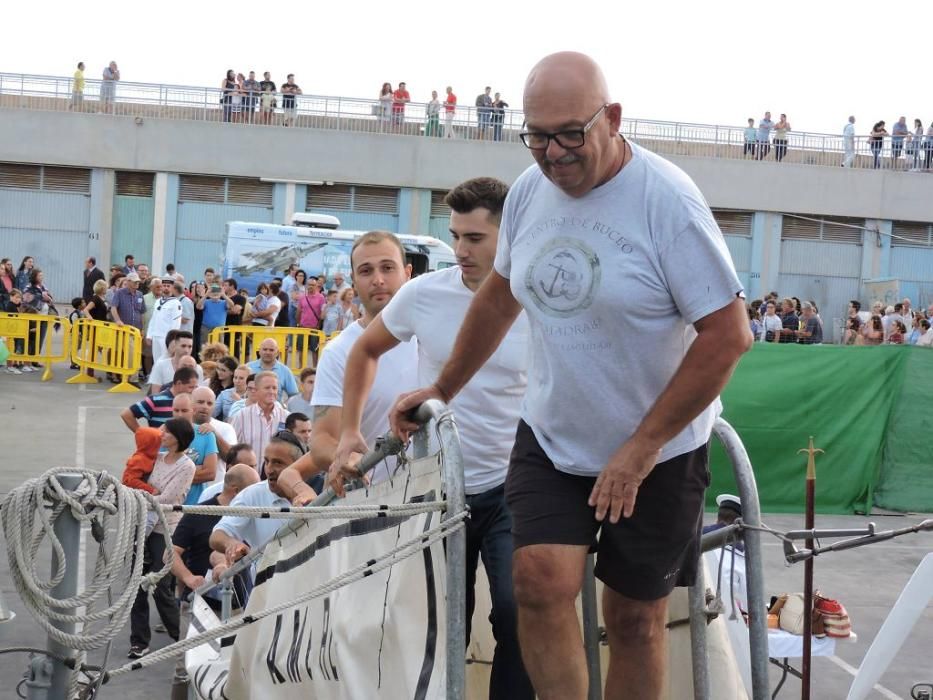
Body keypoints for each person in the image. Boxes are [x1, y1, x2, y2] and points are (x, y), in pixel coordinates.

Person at [388, 52, 750, 700]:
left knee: (633, 618)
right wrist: (442, 389)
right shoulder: (530, 192)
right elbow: (498, 298)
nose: (551, 154)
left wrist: (639, 449)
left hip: (660, 449)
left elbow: (728, 336)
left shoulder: (666, 204)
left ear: (610, 119)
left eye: (567, 135)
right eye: (535, 136)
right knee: (536, 584)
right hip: (554, 436)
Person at [328, 177, 534, 698]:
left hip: (517, 482)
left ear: (508, 235)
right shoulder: (425, 294)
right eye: (456, 237)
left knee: (517, 610)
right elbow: (364, 351)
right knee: (444, 618)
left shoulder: (536, 298)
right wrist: (351, 430)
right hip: (443, 484)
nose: (460, 251)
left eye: (475, 239)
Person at [276, 232, 419, 503]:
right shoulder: (339, 351)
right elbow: (322, 442)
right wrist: (353, 458)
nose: (378, 279)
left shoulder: (431, 334)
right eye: (366, 271)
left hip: (440, 498)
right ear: (354, 281)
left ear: (407, 272)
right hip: (374, 506)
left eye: (388, 268)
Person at [169, 463, 259, 687]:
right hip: (198, 603)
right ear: (237, 491)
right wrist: (189, 578)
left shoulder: (252, 515)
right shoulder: (198, 513)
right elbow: (170, 555)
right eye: (253, 490)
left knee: (235, 670)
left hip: (238, 604)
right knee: (185, 669)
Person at [128, 417, 195, 659]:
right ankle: (139, 640)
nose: (161, 434)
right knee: (136, 586)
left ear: (178, 438)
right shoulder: (155, 457)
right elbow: (136, 483)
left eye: (166, 431)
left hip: (165, 529)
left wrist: (142, 497)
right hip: (142, 524)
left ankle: (179, 635)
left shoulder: (187, 466)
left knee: (159, 585)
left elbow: (168, 499)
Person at [209, 434, 305, 568]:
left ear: (298, 464)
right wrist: (231, 544)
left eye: (278, 463)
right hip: (268, 585)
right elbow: (217, 536)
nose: (269, 470)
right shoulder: (251, 495)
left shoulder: (318, 489)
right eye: (266, 461)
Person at [229, 371, 290, 475]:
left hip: (278, 480)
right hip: (248, 478)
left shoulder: (287, 417)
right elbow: (232, 449)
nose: (271, 391)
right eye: (267, 388)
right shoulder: (241, 416)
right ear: (256, 390)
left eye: (274, 388)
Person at [171, 392, 219, 505]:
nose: (180, 415)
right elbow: (157, 471)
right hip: (168, 505)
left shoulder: (206, 435)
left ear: (193, 410)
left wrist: (173, 474)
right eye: (176, 410)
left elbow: (210, 473)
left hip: (195, 505)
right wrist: (196, 468)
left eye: (184, 410)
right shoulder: (164, 435)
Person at [121, 366, 199, 432]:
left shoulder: (193, 400)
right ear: (179, 384)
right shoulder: (156, 400)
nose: (194, 391)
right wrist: (142, 435)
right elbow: (127, 414)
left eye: (196, 387)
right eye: (191, 387)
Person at [146, 279, 182, 365]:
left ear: (173, 288)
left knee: (166, 361)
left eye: (168, 286)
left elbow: (176, 323)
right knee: (156, 361)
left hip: (165, 337)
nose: (166, 288)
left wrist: (172, 339)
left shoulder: (176, 303)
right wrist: (149, 335)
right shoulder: (158, 301)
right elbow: (153, 319)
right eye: (164, 286)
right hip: (156, 336)